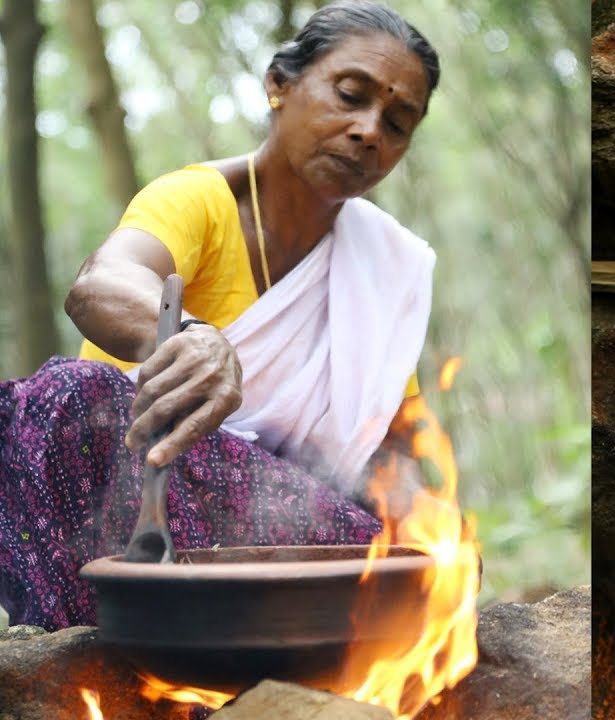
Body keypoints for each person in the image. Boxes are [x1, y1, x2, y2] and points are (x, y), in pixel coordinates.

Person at [0, 1, 441, 630]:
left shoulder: (384, 270)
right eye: (350, 94)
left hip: (289, 539)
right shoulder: (201, 201)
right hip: (129, 496)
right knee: (64, 396)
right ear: (278, 86)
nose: (370, 130)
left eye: (398, 123)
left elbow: (390, 461)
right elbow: (99, 285)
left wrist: (438, 541)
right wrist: (189, 338)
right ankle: (97, 652)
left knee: (394, 544)